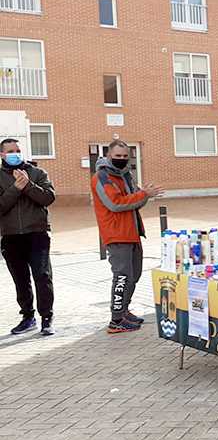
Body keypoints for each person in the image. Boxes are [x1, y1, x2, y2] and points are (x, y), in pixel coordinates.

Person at [91, 141, 163, 333]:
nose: (122, 160)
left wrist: (144, 195)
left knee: (134, 275)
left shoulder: (126, 175)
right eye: (118, 156)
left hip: (132, 233)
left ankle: (123, 310)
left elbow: (134, 202)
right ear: (108, 155)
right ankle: (116, 320)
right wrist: (143, 194)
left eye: (125, 156)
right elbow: (115, 204)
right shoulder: (102, 176)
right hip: (116, 235)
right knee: (122, 277)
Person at [0, 138, 56, 335]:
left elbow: (48, 198)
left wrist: (28, 185)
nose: (15, 153)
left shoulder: (37, 173)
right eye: (10, 151)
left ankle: (47, 318)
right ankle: (27, 317)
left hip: (37, 233)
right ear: (2, 155)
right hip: (10, 236)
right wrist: (16, 189)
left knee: (42, 275)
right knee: (21, 279)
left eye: (18, 150)